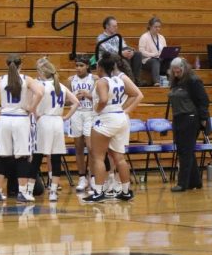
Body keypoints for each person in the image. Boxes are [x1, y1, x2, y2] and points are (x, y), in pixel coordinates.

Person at [0, 54, 44, 205]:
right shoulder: (27, 79)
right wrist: (31, 108)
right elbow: (40, 93)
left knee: (2, 156)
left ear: (6, 64)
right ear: (21, 65)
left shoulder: (0, 79)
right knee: (22, 156)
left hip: (4, 119)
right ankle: (22, 193)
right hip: (21, 119)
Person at [82, 52, 144, 203]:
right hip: (120, 117)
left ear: (101, 67)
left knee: (98, 157)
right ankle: (126, 191)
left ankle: (98, 192)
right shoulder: (118, 79)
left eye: (97, 65)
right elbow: (133, 94)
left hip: (106, 119)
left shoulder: (102, 82)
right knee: (119, 158)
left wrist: (96, 110)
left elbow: (103, 99)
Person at [32, 58, 79, 202]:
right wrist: (65, 117)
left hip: (44, 121)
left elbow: (32, 104)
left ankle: (27, 189)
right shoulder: (61, 86)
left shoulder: (40, 86)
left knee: (37, 157)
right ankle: (53, 191)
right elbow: (76, 103)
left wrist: (36, 115)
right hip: (58, 122)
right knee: (56, 158)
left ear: (41, 72)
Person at [168, 57, 210, 192]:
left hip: (191, 118)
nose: (176, 73)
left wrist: (203, 119)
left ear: (184, 68)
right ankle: (195, 181)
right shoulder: (175, 81)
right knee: (184, 150)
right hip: (178, 118)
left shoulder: (193, 80)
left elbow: (203, 100)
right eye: (174, 71)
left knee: (185, 151)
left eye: (178, 71)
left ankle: (182, 183)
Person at [69, 55, 96, 192]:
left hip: (90, 113)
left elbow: (100, 98)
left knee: (91, 148)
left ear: (87, 66)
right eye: (77, 65)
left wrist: (89, 95)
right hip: (76, 113)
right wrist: (74, 98)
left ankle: (93, 177)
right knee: (78, 147)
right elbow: (66, 101)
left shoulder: (94, 79)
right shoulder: (70, 80)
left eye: (81, 65)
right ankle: (81, 177)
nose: (78, 68)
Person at [96, 16, 143, 83]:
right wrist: (122, 53)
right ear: (107, 26)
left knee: (137, 54)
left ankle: (136, 79)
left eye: (116, 26)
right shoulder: (100, 38)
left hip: (119, 55)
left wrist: (131, 51)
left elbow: (124, 46)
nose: (116, 28)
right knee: (122, 55)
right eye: (114, 26)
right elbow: (109, 50)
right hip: (107, 58)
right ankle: (129, 80)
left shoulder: (117, 36)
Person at [138, 16, 170, 87]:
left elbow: (165, 49)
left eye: (159, 27)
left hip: (160, 59)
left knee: (171, 59)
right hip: (147, 60)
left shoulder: (162, 37)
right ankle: (156, 82)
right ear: (150, 26)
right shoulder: (144, 37)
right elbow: (141, 51)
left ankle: (171, 81)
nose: (158, 29)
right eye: (155, 27)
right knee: (155, 61)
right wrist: (153, 54)